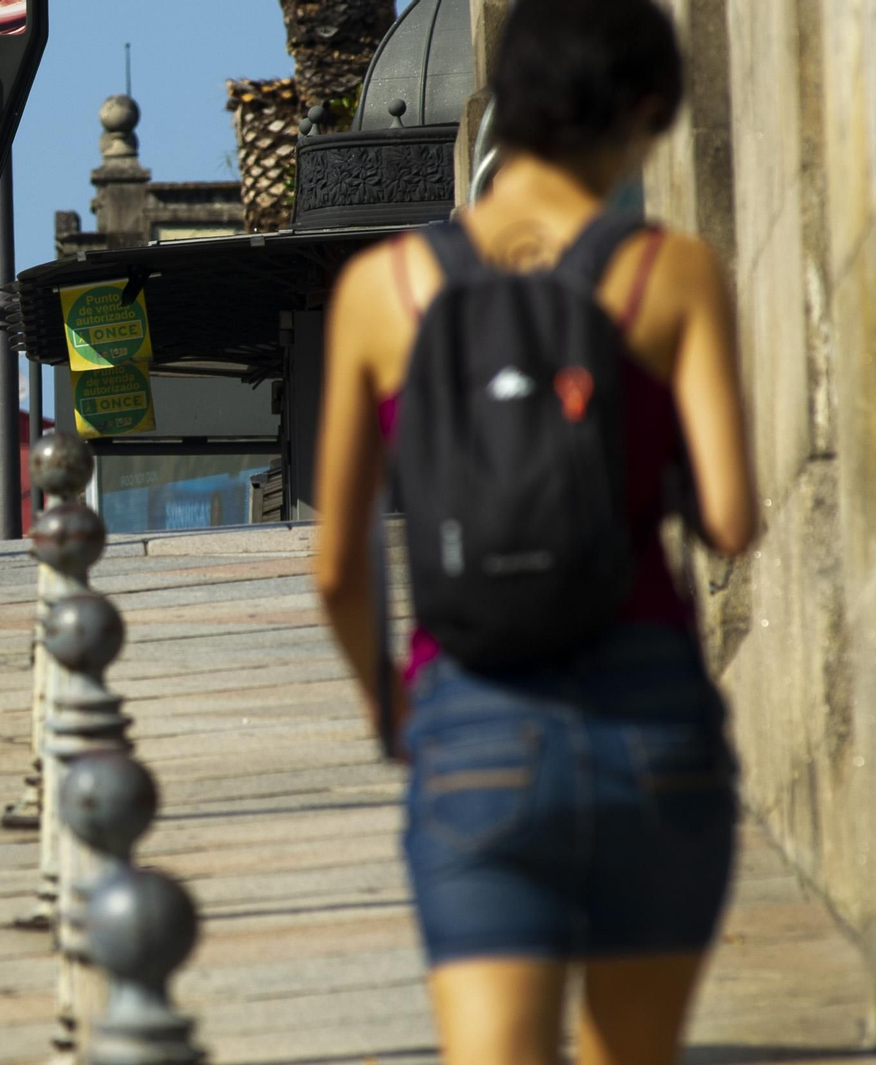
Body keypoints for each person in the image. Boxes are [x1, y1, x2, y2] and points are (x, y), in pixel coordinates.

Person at [311, 1, 759, 1063]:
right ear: (642, 112)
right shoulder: (668, 273)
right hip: (650, 723)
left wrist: (390, 702)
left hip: (471, 721)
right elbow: (732, 519)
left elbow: (336, 566)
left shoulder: (383, 291)